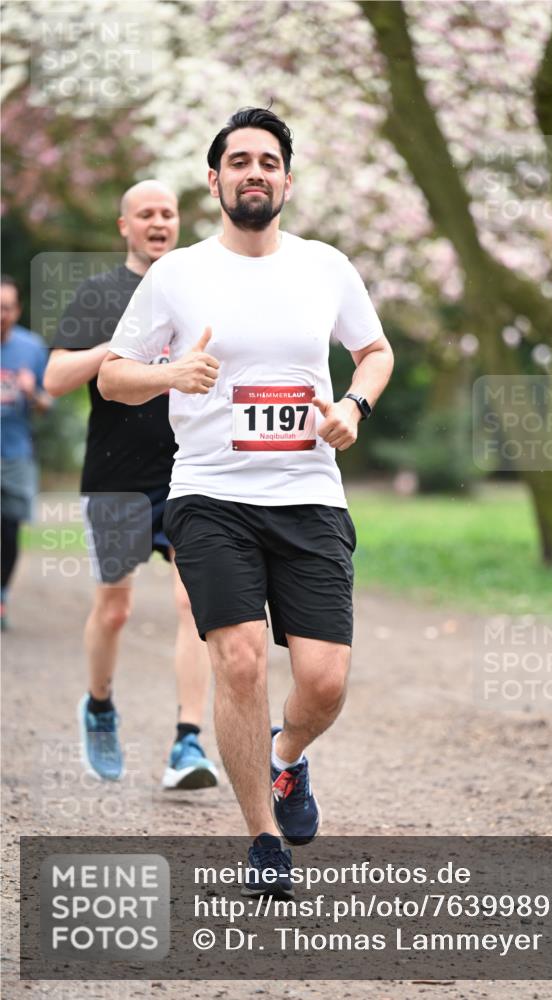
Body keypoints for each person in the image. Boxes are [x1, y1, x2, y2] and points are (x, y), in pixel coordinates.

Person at [98, 108, 393, 896]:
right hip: (210, 495)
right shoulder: (178, 275)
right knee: (239, 656)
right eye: (239, 160)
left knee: (325, 681)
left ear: (286, 182)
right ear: (215, 179)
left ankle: (285, 756)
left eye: (268, 161)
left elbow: (373, 351)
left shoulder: (325, 266)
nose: (253, 171)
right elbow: (112, 374)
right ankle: (262, 838)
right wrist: (169, 376)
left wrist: (353, 408)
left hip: (308, 496)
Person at [44, 181, 218, 791]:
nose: (158, 222)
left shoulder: (193, 289)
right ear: (125, 226)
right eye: (146, 214)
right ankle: (99, 705)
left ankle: (187, 742)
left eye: (168, 213)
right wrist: (114, 348)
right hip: (116, 480)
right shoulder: (100, 292)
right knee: (114, 610)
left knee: (194, 606)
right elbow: (56, 376)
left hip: (188, 472)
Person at [1, 275, 52, 631]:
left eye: (6, 307)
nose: (0, 314)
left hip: (15, 455)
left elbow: (48, 403)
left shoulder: (32, 348)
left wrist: (32, 393)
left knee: (8, 530)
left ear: (17, 310)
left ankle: (1, 595)